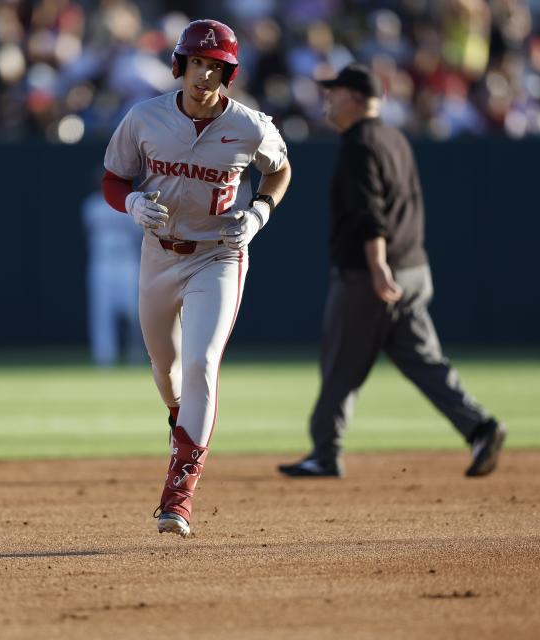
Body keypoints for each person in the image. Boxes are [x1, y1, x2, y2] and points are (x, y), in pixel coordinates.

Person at [102, 19, 291, 537]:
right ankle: (179, 423)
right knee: (167, 374)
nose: (203, 75)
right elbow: (113, 178)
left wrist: (260, 212)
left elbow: (279, 168)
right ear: (179, 66)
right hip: (159, 255)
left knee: (202, 362)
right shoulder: (145, 118)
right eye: (196, 63)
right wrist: (133, 201)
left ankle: (178, 496)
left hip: (218, 254)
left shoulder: (249, 125)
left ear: (228, 72)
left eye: (214, 66)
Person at [278, 64, 505, 480]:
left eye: (334, 91)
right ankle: (480, 427)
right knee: (424, 361)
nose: (328, 98)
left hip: (371, 275)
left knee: (341, 363)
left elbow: (370, 210)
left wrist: (378, 263)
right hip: (414, 268)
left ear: (352, 97)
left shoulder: (359, 142)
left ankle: (325, 453)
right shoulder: (395, 137)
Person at [81, 180, 144, 367]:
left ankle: (137, 352)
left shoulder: (131, 204)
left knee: (135, 313)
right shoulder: (91, 205)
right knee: (101, 313)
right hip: (102, 263)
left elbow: (140, 234)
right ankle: (104, 357)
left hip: (127, 262)